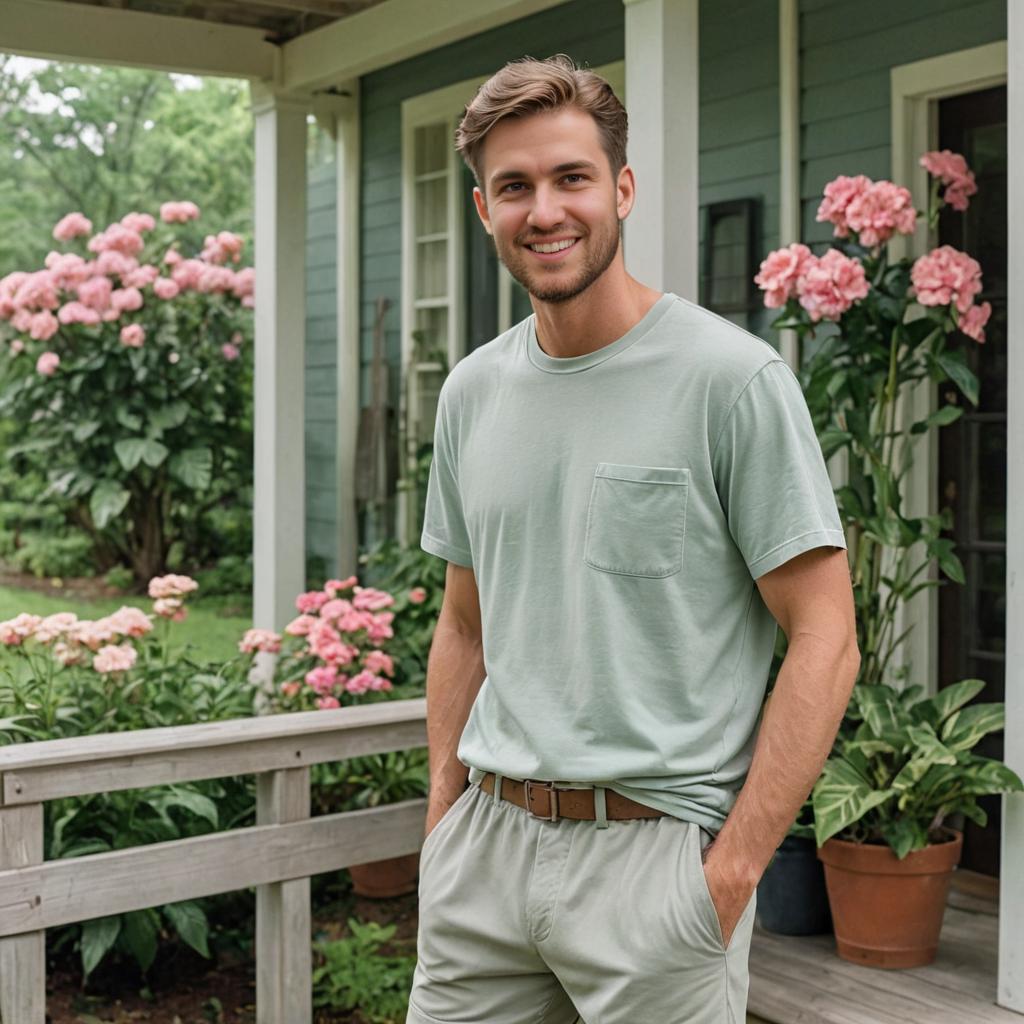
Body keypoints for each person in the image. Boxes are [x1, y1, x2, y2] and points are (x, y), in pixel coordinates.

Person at [407, 53, 860, 1024]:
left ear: (621, 188)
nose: (545, 211)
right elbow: (463, 625)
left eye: (571, 177)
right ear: (483, 209)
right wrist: (443, 818)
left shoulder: (730, 382)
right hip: (483, 854)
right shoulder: (471, 393)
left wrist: (730, 871)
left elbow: (825, 635)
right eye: (513, 186)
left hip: (655, 866)